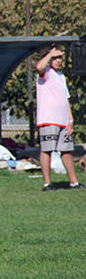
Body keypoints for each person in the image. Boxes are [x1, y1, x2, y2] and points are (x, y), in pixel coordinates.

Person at [35, 45, 83, 191]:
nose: (58, 60)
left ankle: (73, 182)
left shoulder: (61, 76)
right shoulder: (45, 73)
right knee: (47, 149)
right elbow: (39, 66)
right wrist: (49, 54)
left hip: (62, 121)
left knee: (66, 150)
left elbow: (65, 99)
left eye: (59, 57)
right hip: (48, 119)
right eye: (55, 57)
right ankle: (47, 183)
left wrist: (70, 119)